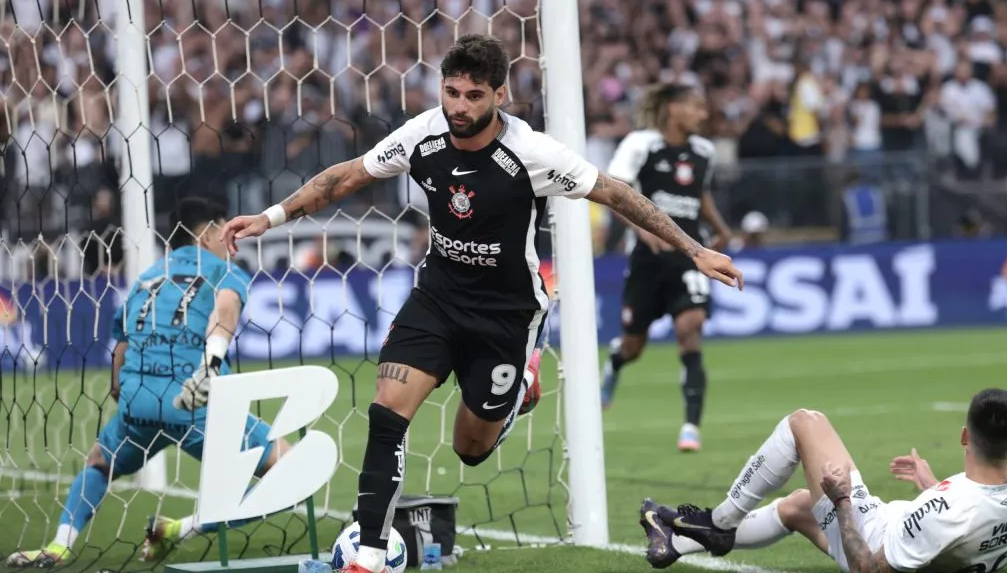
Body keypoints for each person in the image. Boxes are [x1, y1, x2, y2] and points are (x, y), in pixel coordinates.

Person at [219, 34, 743, 573]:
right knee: (387, 410)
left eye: (473, 96)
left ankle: (520, 388)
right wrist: (273, 216)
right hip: (437, 299)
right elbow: (348, 174)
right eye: (451, 93)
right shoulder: (422, 134)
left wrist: (696, 249)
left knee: (470, 449)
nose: (458, 107)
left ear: (498, 94)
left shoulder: (533, 153)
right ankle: (370, 552)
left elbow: (616, 193)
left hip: (506, 317)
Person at [6, 198, 291, 568]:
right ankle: (176, 530)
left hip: (137, 403)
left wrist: (120, 390)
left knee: (98, 462)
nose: (229, 240)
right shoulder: (224, 271)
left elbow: (120, 347)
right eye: (224, 230)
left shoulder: (149, 276)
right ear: (206, 234)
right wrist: (210, 364)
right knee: (291, 469)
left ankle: (60, 545)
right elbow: (224, 313)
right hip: (194, 405)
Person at [638, 388, 1007, 572]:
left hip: (869, 535)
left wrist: (841, 502)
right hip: (922, 542)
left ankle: (719, 523)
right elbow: (965, 518)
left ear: (963, 436)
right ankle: (675, 543)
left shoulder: (943, 511)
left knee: (805, 422)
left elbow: (866, 571)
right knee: (795, 507)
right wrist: (932, 486)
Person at [599, 83, 733, 453]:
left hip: (691, 255)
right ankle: (615, 362)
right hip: (647, 259)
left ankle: (691, 426)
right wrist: (643, 231)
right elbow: (615, 192)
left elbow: (699, 195)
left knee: (691, 330)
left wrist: (720, 229)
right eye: (695, 107)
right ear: (673, 109)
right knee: (634, 345)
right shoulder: (641, 144)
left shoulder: (703, 151)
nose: (702, 114)